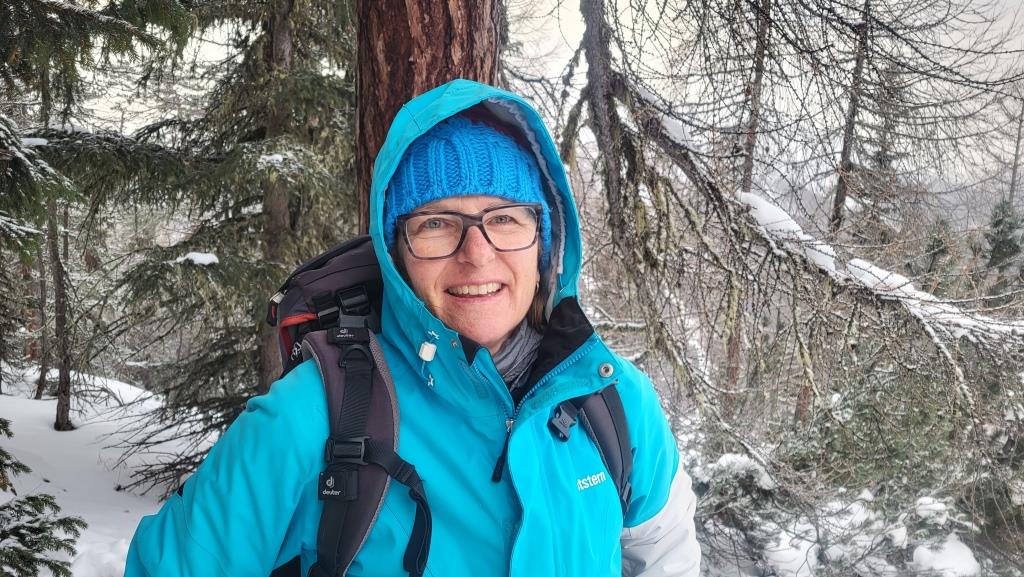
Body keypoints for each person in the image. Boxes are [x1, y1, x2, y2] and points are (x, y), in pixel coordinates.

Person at [125, 79, 701, 576]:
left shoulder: (616, 404)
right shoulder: (317, 414)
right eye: (436, 224)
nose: (477, 254)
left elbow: (666, 560)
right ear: (395, 253)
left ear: (544, 243)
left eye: (505, 218)